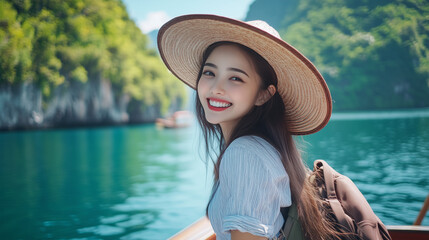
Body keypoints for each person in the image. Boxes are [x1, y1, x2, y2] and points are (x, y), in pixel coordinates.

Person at [158, 14, 338, 240]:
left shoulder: (245, 153)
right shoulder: (268, 147)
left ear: (263, 94)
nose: (216, 88)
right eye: (209, 72)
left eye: (235, 78)